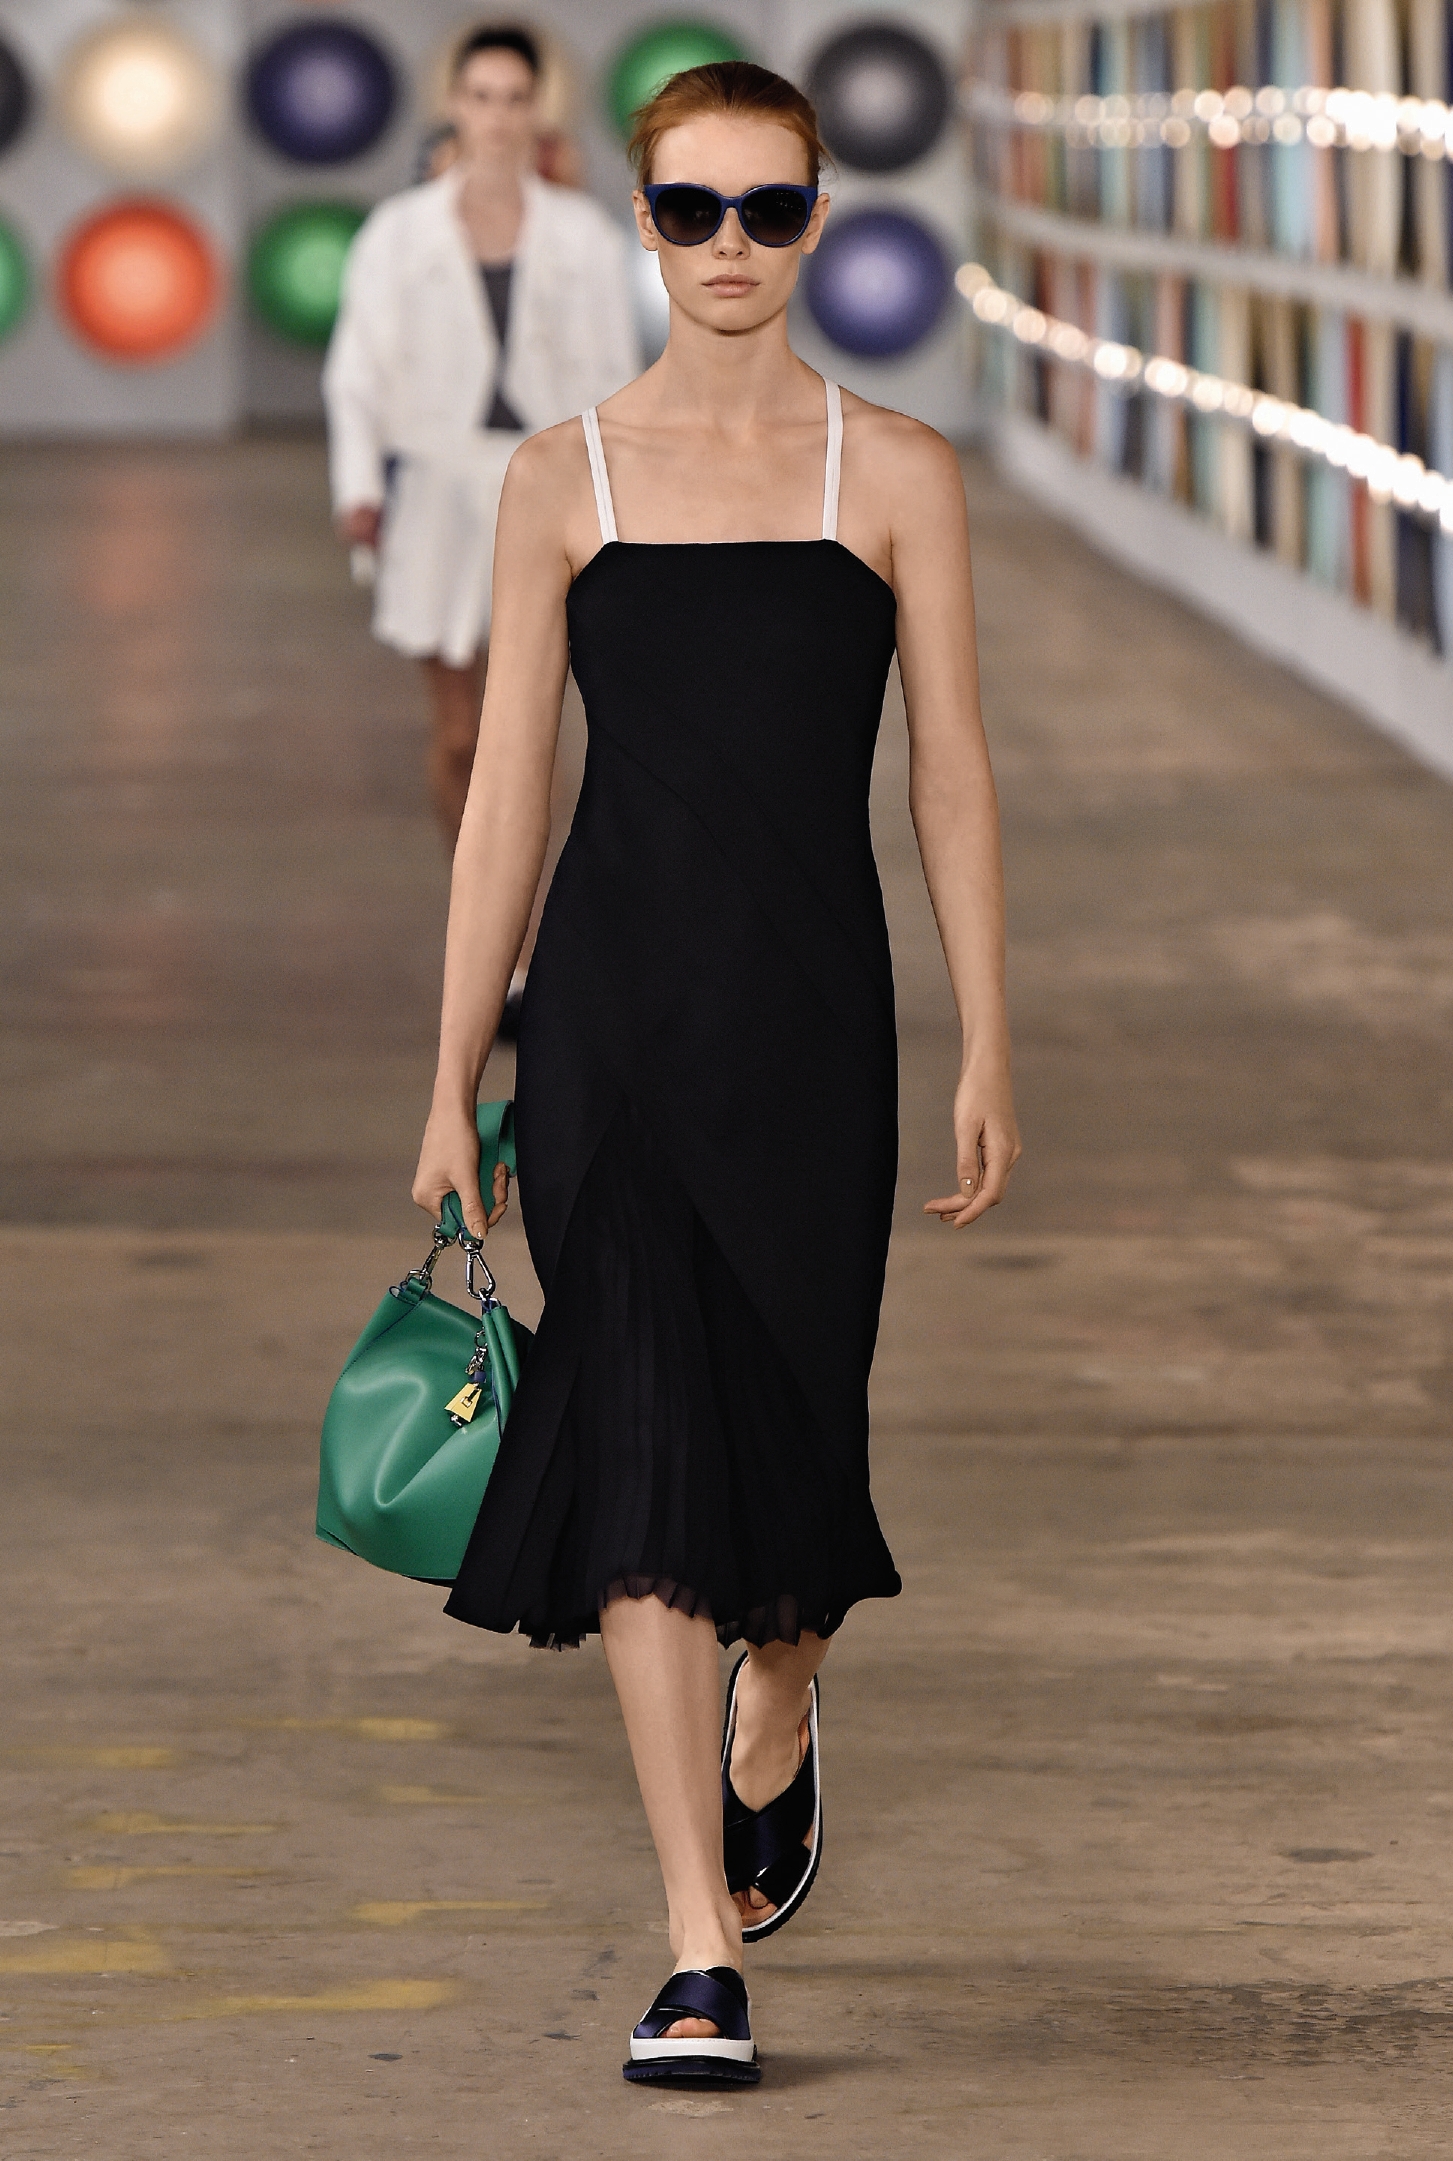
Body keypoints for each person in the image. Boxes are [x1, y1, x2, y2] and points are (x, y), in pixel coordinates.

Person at [411, 60, 1020, 2085]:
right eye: (692, 209)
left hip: (810, 1028)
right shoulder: (561, 477)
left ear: (819, 222)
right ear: (645, 221)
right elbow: (508, 798)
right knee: (645, 1456)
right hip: (610, 1029)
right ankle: (694, 1946)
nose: (731, 245)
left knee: (801, 1459)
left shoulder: (895, 472)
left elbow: (949, 773)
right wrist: (451, 1072)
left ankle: (784, 1691)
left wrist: (986, 1030)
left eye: (768, 208)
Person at [324, 24, 639, 849]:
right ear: (453, 102)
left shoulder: (583, 234)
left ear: (538, 109)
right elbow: (357, 371)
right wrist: (359, 489)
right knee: (461, 732)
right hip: (436, 486)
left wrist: (617, 500)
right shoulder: (397, 232)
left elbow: (615, 375)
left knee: (526, 734)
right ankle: (475, 902)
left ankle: (528, 914)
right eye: (481, 96)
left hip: (544, 490)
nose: (497, 117)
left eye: (514, 98)